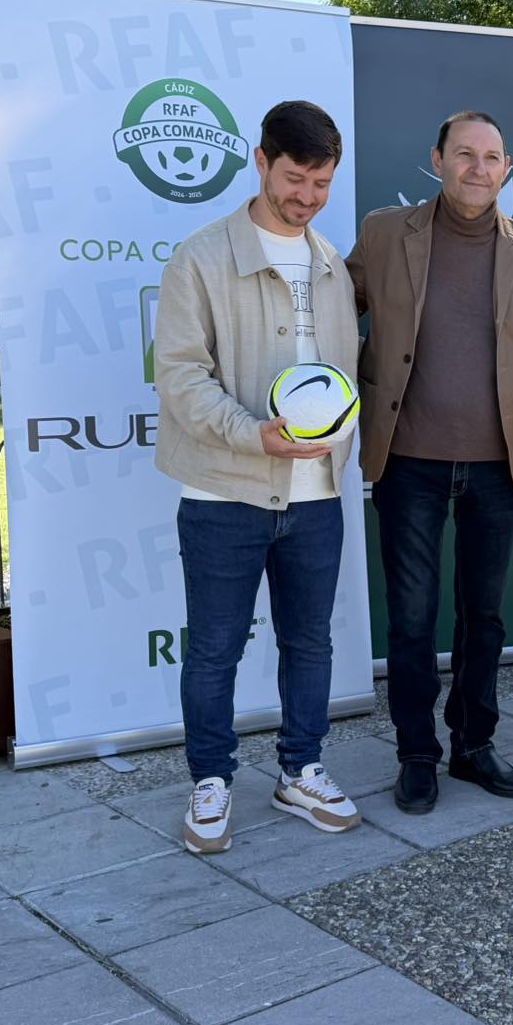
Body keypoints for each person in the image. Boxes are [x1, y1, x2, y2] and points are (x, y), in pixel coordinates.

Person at [347, 111, 513, 815]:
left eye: (492, 157)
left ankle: (471, 743)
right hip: (408, 459)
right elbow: (334, 314)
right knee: (411, 618)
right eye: (464, 154)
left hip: (497, 465)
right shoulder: (384, 233)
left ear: (507, 168)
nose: (478, 168)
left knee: (483, 616)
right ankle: (416, 753)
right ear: (437, 160)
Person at [155, 101, 362, 854]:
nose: (307, 196)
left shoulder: (333, 264)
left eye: (322, 182)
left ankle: (301, 769)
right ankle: (211, 780)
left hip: (319, 495)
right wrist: (254, 436)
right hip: (224, 492)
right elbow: (181, 377)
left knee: (310, 643)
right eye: (295, 177)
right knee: (215, 650)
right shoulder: (200, 258)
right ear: (262, 161)